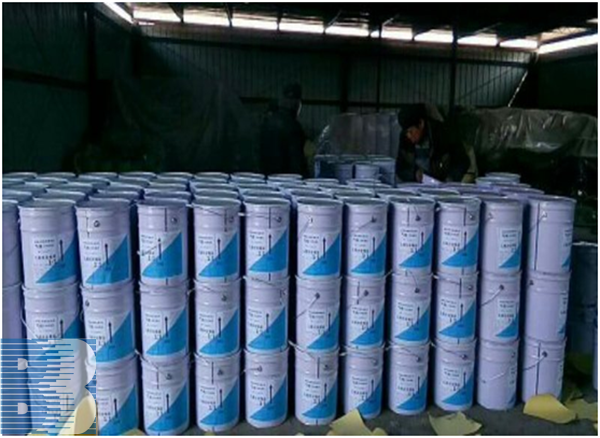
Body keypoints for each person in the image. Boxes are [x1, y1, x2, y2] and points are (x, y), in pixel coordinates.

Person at [396, 104, 476, 183]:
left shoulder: (444, 134)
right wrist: (414, 174)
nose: (409, 136)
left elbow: (462, 161)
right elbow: (401, 168)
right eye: (406, 132)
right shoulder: (405, 139)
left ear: (421, 124)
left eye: (411, 131)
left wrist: (450, 180)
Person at [259, 83, 308, 176]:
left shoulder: (267, 122)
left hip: (267, 177)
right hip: (286, 179)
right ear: (297, 103)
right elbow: (296, 159)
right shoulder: (294, 127)